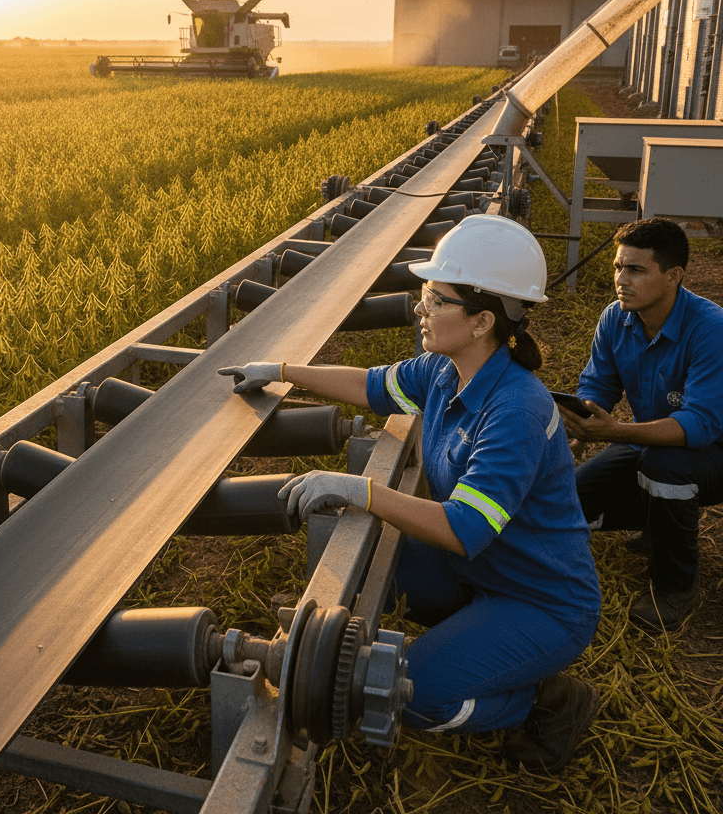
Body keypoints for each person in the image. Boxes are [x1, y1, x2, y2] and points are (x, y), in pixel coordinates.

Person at [219, 214, 601, 774]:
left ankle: (547, 702)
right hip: (481, 573)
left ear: (481, 321)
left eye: (436, 299)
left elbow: (462, 528)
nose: (421, 309)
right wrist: (280, 370)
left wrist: (363, 491)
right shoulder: (447, 371)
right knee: (378, 574)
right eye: (425, 295)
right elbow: (370, 385)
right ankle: (482, 646)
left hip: (541, 599)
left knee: (412, 693)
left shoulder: (515, 409)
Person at [560, 217, 723, 634]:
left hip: (712, 449)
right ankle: (658, 520)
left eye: (636, 270)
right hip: (653, 439)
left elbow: (700, 425)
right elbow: (598, 385)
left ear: (673, 277)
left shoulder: (710, 329)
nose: (621, 279)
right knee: (570, 501)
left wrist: (613, 432)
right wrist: (581, 426)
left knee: (665, 470)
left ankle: (674, 587)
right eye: (619, 267)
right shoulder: (616, 319)